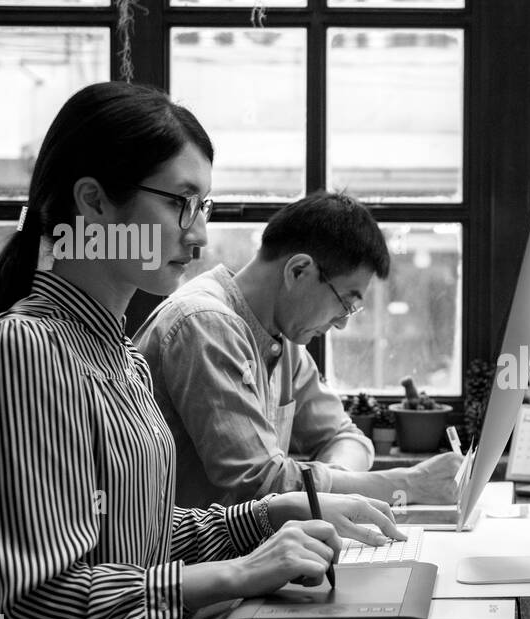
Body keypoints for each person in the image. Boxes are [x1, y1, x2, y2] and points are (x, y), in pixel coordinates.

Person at [0, 82, 403, 619]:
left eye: (202, 208)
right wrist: (240, 573)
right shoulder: (23, 350)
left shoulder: (118, 357)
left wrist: (265, 518)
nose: (198, 235)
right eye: (179, 203)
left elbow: (133, 535)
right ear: (93, 203)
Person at [133, 191, 462, 509]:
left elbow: (346, 437)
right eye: (346, 302)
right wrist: (407, 485)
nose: (342, 323)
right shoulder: (204, 324)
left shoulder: (282, 341)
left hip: (246, 556)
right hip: (186, 560)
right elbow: (259, 482)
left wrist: (336, 485)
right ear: (298, 271)